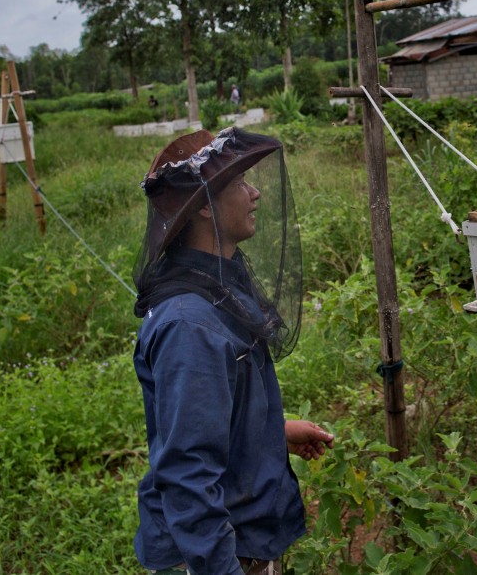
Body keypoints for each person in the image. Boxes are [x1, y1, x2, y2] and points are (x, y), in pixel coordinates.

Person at [132, 127, 335, 574]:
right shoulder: (189, 324)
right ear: (204, 204)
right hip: (221, 554)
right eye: (240, 183)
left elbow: (202, 416)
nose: (256, 192)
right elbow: (188, 476)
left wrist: (272, 430)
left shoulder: (215, 284)